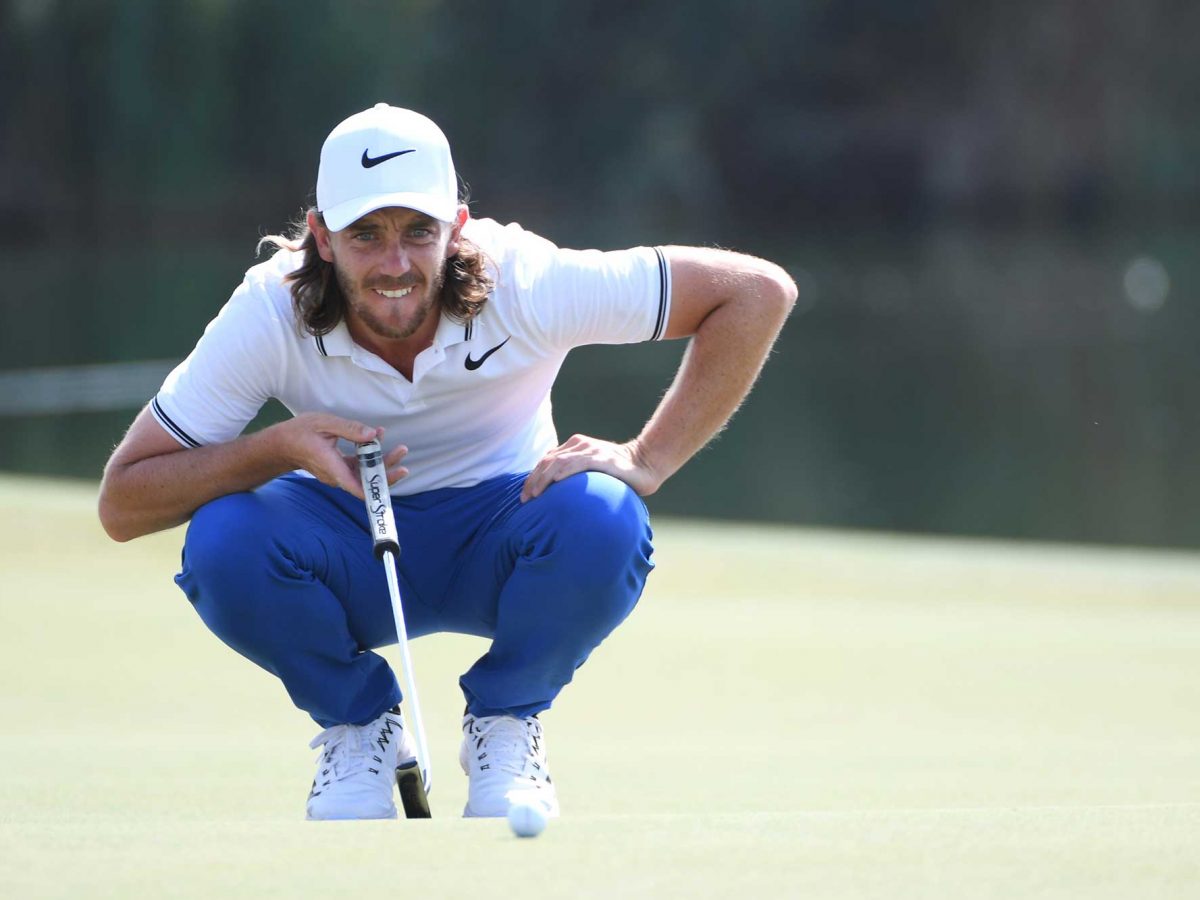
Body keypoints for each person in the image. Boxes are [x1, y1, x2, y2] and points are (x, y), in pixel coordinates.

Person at [98, 103, 796, 821]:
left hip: (507, 531)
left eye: (418, 232)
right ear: (322, 238)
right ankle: (360, 728)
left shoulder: (526, 280)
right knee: (224, 540)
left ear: (457, 229)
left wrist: (647, 458)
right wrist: (273, 447)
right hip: (346, 548)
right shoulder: (269, 311)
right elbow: (123, 503)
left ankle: (505, 721)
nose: (395, 264)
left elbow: (755, 293)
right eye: (365, 235)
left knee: (606, 516)